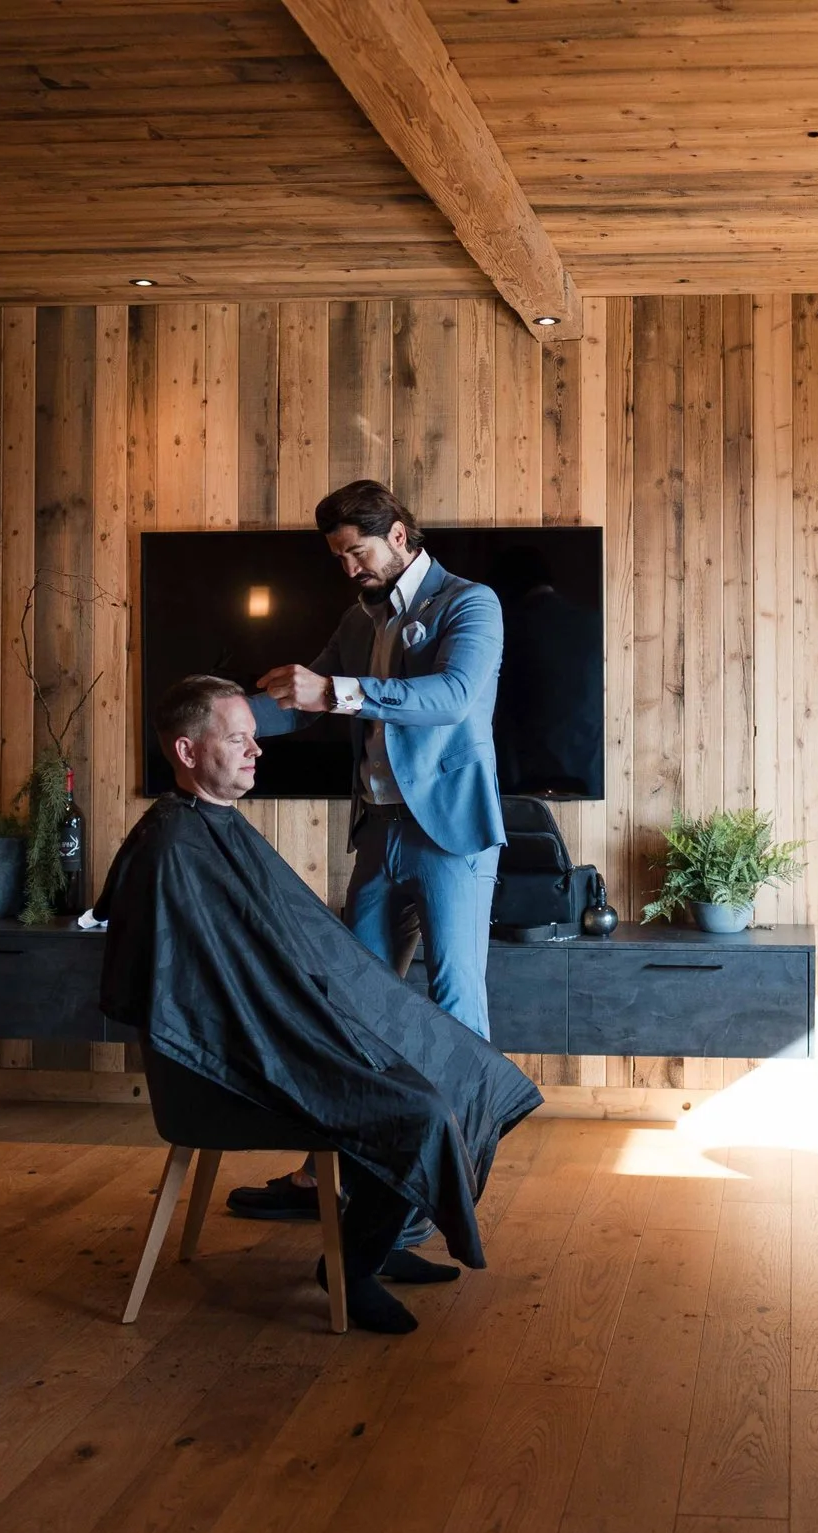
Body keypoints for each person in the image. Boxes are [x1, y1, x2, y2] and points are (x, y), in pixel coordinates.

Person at [94, 676, 539, 1333]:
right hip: (237, 1066)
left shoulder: (213, 827)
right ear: (187, 752)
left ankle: (378, 1240)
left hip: (279, 1030)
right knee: (413, 1107)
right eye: (237, 738)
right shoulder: (172, 849)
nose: (256, 751)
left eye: (254, 736)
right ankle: (348, 1268)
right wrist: (315, 1026)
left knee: (463, 1065)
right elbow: (204, 995)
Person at [227, 481, 508, 1257]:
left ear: (401, 533)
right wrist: (222, 716)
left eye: (358, 550)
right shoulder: (358, 619)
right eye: (339, 557)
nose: (348, 568)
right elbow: (303, 704)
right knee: (353, 1011)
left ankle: (447, 1185)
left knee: (452, 1008)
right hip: (378, 832)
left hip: (450, 835)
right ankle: (339, 1178)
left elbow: (454, 696)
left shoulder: (468, 603)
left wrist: (341, 690)